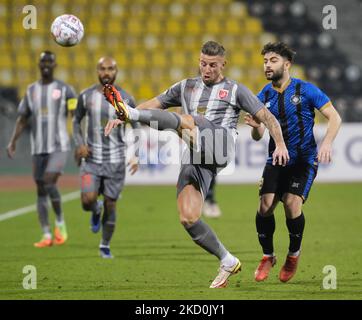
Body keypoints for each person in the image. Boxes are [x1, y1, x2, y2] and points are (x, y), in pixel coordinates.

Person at [104, 41, 289, 288]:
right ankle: (227, 260)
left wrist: (280, 144)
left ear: (223, 64)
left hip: (221, 145)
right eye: (203, 63)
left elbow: (267, 117)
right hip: (197, 155)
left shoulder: (235, 90)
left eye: (213, 65)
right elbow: (155, 103)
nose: (207, 69)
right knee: (188, 217)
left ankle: (132, 114)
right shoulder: (186, 86)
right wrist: (124, 116)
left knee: (189, 120)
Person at [244, 42, 342, 283]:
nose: (267, 65)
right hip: (276, 159)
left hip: (304, 160)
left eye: (273, 60)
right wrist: (256, 127)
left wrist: (327, 143)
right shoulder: (262, 95)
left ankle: (293, 255)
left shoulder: (306, 90)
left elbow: (334, 117)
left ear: (287, 64)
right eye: (265, 61)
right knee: (265, 206)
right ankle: (268, 256)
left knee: (291, 203)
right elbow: (256, 136)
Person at [6, 51, 77, 247]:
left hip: (59, 146)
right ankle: (46, 234)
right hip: (38, 148)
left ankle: (60, 222)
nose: (46, 65)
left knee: (49, 182)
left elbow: (75, 116)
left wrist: (79, 139)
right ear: (39, 65)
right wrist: (13, 141)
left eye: (49, 62)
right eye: (43, 61)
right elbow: (22, 118)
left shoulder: (65, 89)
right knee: (40, 190)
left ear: (55, 65)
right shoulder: (31, 91)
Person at [72, 56, 139, 259]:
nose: (106, 72)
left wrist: (135, 154)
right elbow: (76, 122)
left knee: (111, 203)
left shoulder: (126, 98)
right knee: (87, 201)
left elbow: (136, 127)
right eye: (102, 68)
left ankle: (105, 245)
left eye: (110, 69)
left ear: (116, 71)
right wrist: (80, 144)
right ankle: (95, 208)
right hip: (91, 160)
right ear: (97, 71)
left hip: (115, 161)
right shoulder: (85, 96)